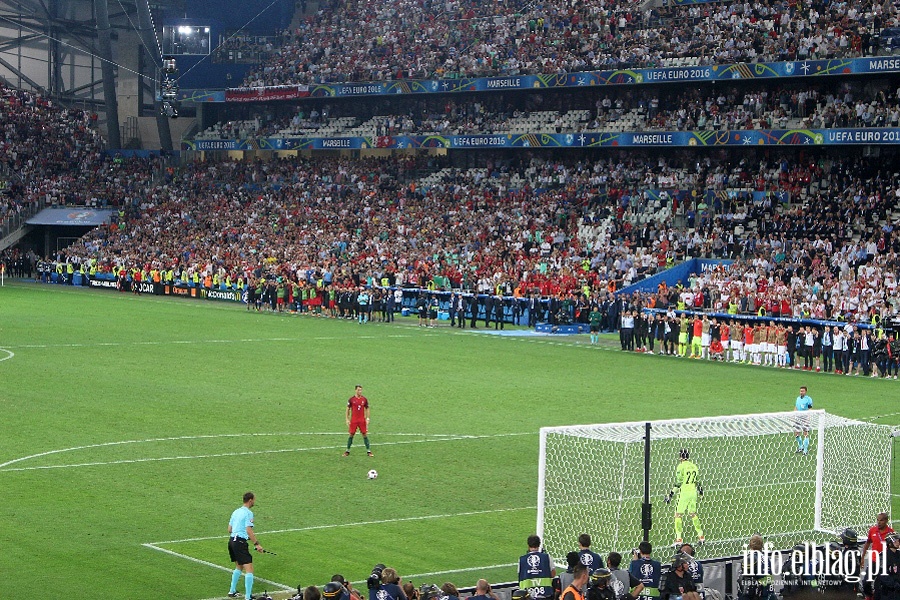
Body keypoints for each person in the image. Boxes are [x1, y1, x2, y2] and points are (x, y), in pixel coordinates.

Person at [227, 491, 264, 600]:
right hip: (239, 542)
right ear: (250, 500)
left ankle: (232, 591)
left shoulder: (236, 511)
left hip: (232, 541)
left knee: (239, 565)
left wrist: (241, 534)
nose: (254, 502)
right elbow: (248, 530)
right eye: (254, 500)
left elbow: (229, 529)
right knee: (249, 568)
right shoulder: (248, 513)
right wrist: (257, 544)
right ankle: (248, 597)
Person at [664, 449, 704, 545]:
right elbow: (698, 481)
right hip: (693, 492)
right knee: (693, 514)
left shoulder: (681, 466)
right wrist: (701, 493)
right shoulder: (694, 466)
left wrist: (670, 495)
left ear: (680, 457)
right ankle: (701, 536)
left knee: (678, 515)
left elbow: (678, 483)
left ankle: (679, 539)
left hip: (684, 493)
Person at [518, 534, 557, 600]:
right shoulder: (547, 557)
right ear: (539, 544)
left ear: (528, 545)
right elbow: (553, 573)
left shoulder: (521, 559)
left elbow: (520, 575)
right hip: (545, 593)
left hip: (527, 594)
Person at [344, 384, 373, 457]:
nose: (360, 391)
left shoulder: (364, 399)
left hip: (361, 420)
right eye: (358, 390)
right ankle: (347, 451)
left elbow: (367, 408)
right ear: (355, 390)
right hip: (354, 420)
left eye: (361, 390)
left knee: (364, 434)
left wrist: (368, 418)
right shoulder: (351, 399)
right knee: (351, 434)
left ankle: (368, 451)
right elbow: (348, 409)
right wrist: (347, 419)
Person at [794, 386, 813, 455]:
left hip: (805, 418)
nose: (801, 392)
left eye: (802, 391)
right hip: (798, 418)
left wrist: (808, 419)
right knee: (796, 433)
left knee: (805, 433)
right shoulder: (798, 398)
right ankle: (800, 446)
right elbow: (796, 407)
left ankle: (805, 449)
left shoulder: (808, 399)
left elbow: (810, 409)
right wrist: (794, 414)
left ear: (805, 392)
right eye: (800, 391)